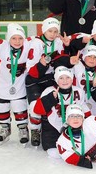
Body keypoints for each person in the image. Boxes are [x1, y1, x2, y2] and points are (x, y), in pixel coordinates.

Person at [26, 17, 73, 146]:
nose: (52, 34)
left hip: (49, 78)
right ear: (44, 30)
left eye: (55, 31)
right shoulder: (36, 43)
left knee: (50, 102)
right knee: (34, 106)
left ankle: (47, 128)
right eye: (50, 31)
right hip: (34, 79)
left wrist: (67, 49)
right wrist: (42, 64)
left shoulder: (58, 41)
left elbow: (61, 61)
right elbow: (33, 72)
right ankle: (35, 130)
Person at [32, 66, 91, 158]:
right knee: (54, 153)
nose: (65, 81)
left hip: (73, 125)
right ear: (56, 80)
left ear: (72, 79)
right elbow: (37, 110)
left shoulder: (78, 91)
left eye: (68, 77)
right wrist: (50, 98)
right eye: (61, 78)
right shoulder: (49, 91)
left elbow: (83, 108)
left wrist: (89, 125)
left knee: (83, 147)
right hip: (52, 126)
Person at [0, 23, 30, 146]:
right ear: (8, 38)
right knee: (1, 107)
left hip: (19, 85)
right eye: (14, 38)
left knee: (19, 106)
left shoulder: (28, 46)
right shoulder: (1, 46)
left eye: (20, 38)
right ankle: (5, 128)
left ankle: (23, 129)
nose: (17, 41)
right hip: (1, 84)